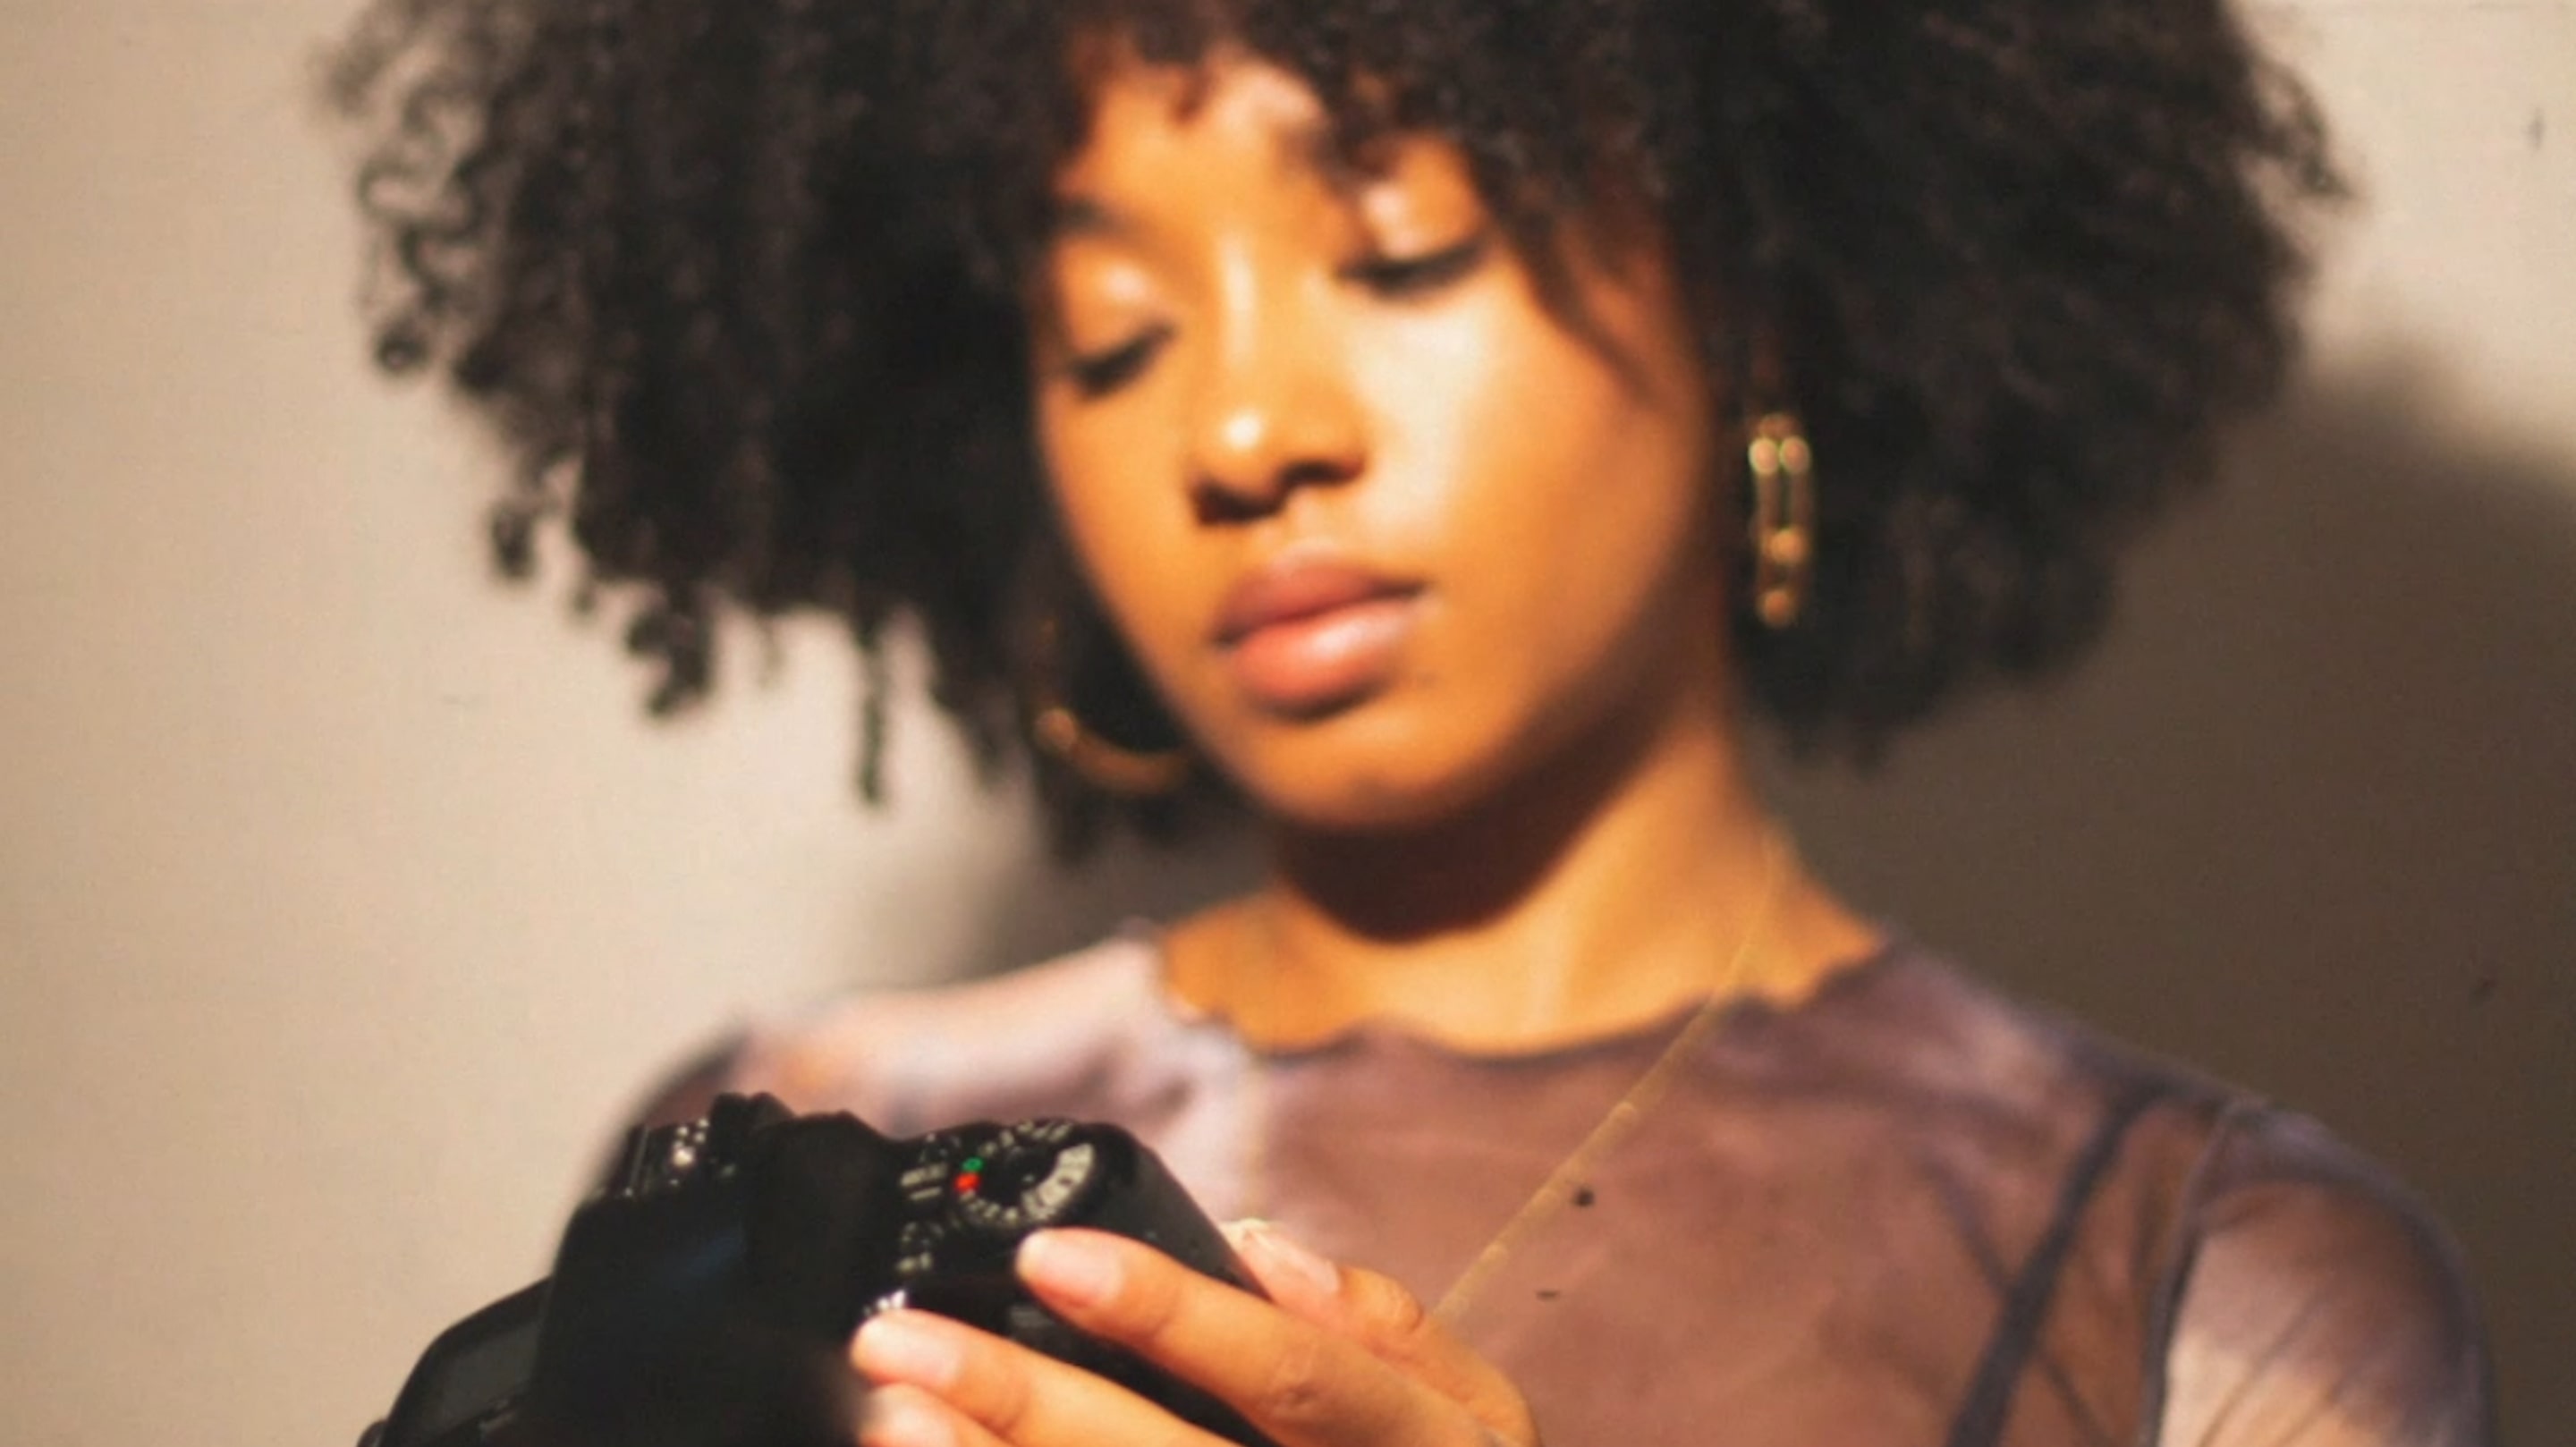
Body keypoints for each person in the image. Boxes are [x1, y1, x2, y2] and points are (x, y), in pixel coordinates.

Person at [330, 1, 2494, 1443]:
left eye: (1403, 255)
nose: (1241, 431)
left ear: (1760, 296)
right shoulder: (804, 1142)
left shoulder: (2206, 1264)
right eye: (1112, 336)